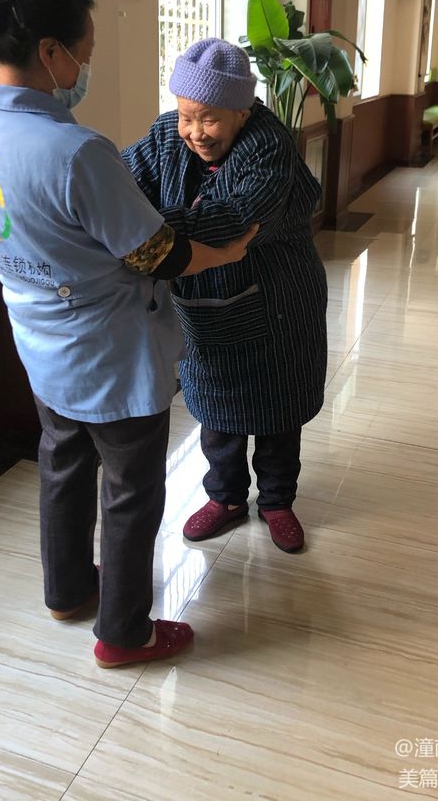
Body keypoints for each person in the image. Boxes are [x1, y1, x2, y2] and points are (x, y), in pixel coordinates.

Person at [0, 0, 256, 668]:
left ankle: (66, 590)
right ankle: (124, 633)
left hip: (40, 338)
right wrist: (227, 251)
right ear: (50, 51)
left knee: (61, 461)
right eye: (83, 54)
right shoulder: (75, 151)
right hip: (110, 350)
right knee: (130, 491)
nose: (84, 69)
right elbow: (157, 253)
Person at [122, 38, 328, 553]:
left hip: (280, 303)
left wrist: (142, 233)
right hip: (205, 305)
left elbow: (233, 220)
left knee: (278, 414)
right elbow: (122, 182)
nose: (194, 131)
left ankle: (277, 501)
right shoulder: (167, 135)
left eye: (209, 119)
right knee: (216, 412)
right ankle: (226, 497)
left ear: (242, 111)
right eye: (186, 116)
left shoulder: (269, 146)